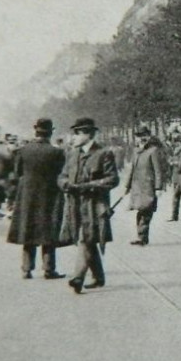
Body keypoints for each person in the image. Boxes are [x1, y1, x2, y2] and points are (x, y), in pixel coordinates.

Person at [59, 116, 118, 293]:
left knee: (87, 237)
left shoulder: (104, 153)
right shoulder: (72, 153)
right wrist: (64, 184)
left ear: (87, 134)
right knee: (87, 239)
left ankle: (77, 278)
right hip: (75, 204)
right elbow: (62, 175)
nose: (74, 137)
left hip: (95, 204)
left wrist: (88, 186)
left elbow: (112, 179)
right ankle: (99, 277)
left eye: (76, 134)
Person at [7, 118, 66, 280]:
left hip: (27, 195)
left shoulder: (23, 150)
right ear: (51, 132)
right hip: (50, 195)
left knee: (28, 229)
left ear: (35, 130)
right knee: (48, 230)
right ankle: (48, 269)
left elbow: (18, 173)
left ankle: (26, 269)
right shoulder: (57, 152)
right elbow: (61, 173)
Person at [123, 126, 168, 245]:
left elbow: (158, 170)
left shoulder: (153, 151)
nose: (141, 139)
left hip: (149, 187)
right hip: (137, 187)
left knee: (146, 210)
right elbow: (132, 169)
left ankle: (142, 237)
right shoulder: (136, 151)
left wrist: (159, 187)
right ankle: (141, 235)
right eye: (138, 137)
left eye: (144, 136)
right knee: (140, 211)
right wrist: (127, 186)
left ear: (148, 137)